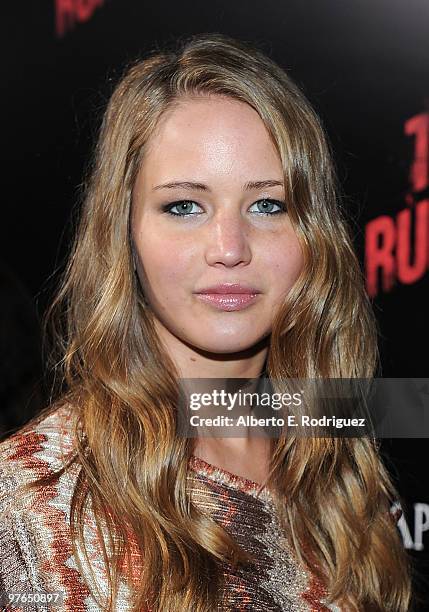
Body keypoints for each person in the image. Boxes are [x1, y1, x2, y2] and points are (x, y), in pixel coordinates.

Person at [0, 33, 413, 611]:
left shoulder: (334, 450)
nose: (229, 247)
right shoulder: (38, 501)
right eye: (184, 206)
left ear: (314, 237)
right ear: (124, 234)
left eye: (268, 205)